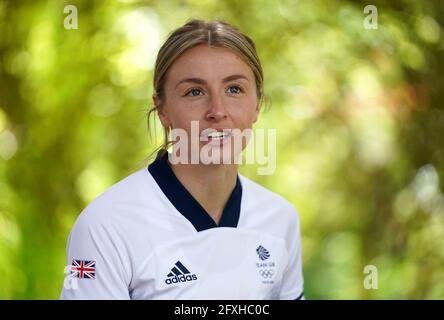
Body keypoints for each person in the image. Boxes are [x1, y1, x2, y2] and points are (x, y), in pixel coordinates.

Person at [60, 18, 304, 300]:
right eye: (195, 92)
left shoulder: (280, 219)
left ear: (257, 104)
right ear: (162, 108)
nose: (217, 111)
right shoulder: (104, 226)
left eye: (234, 89)